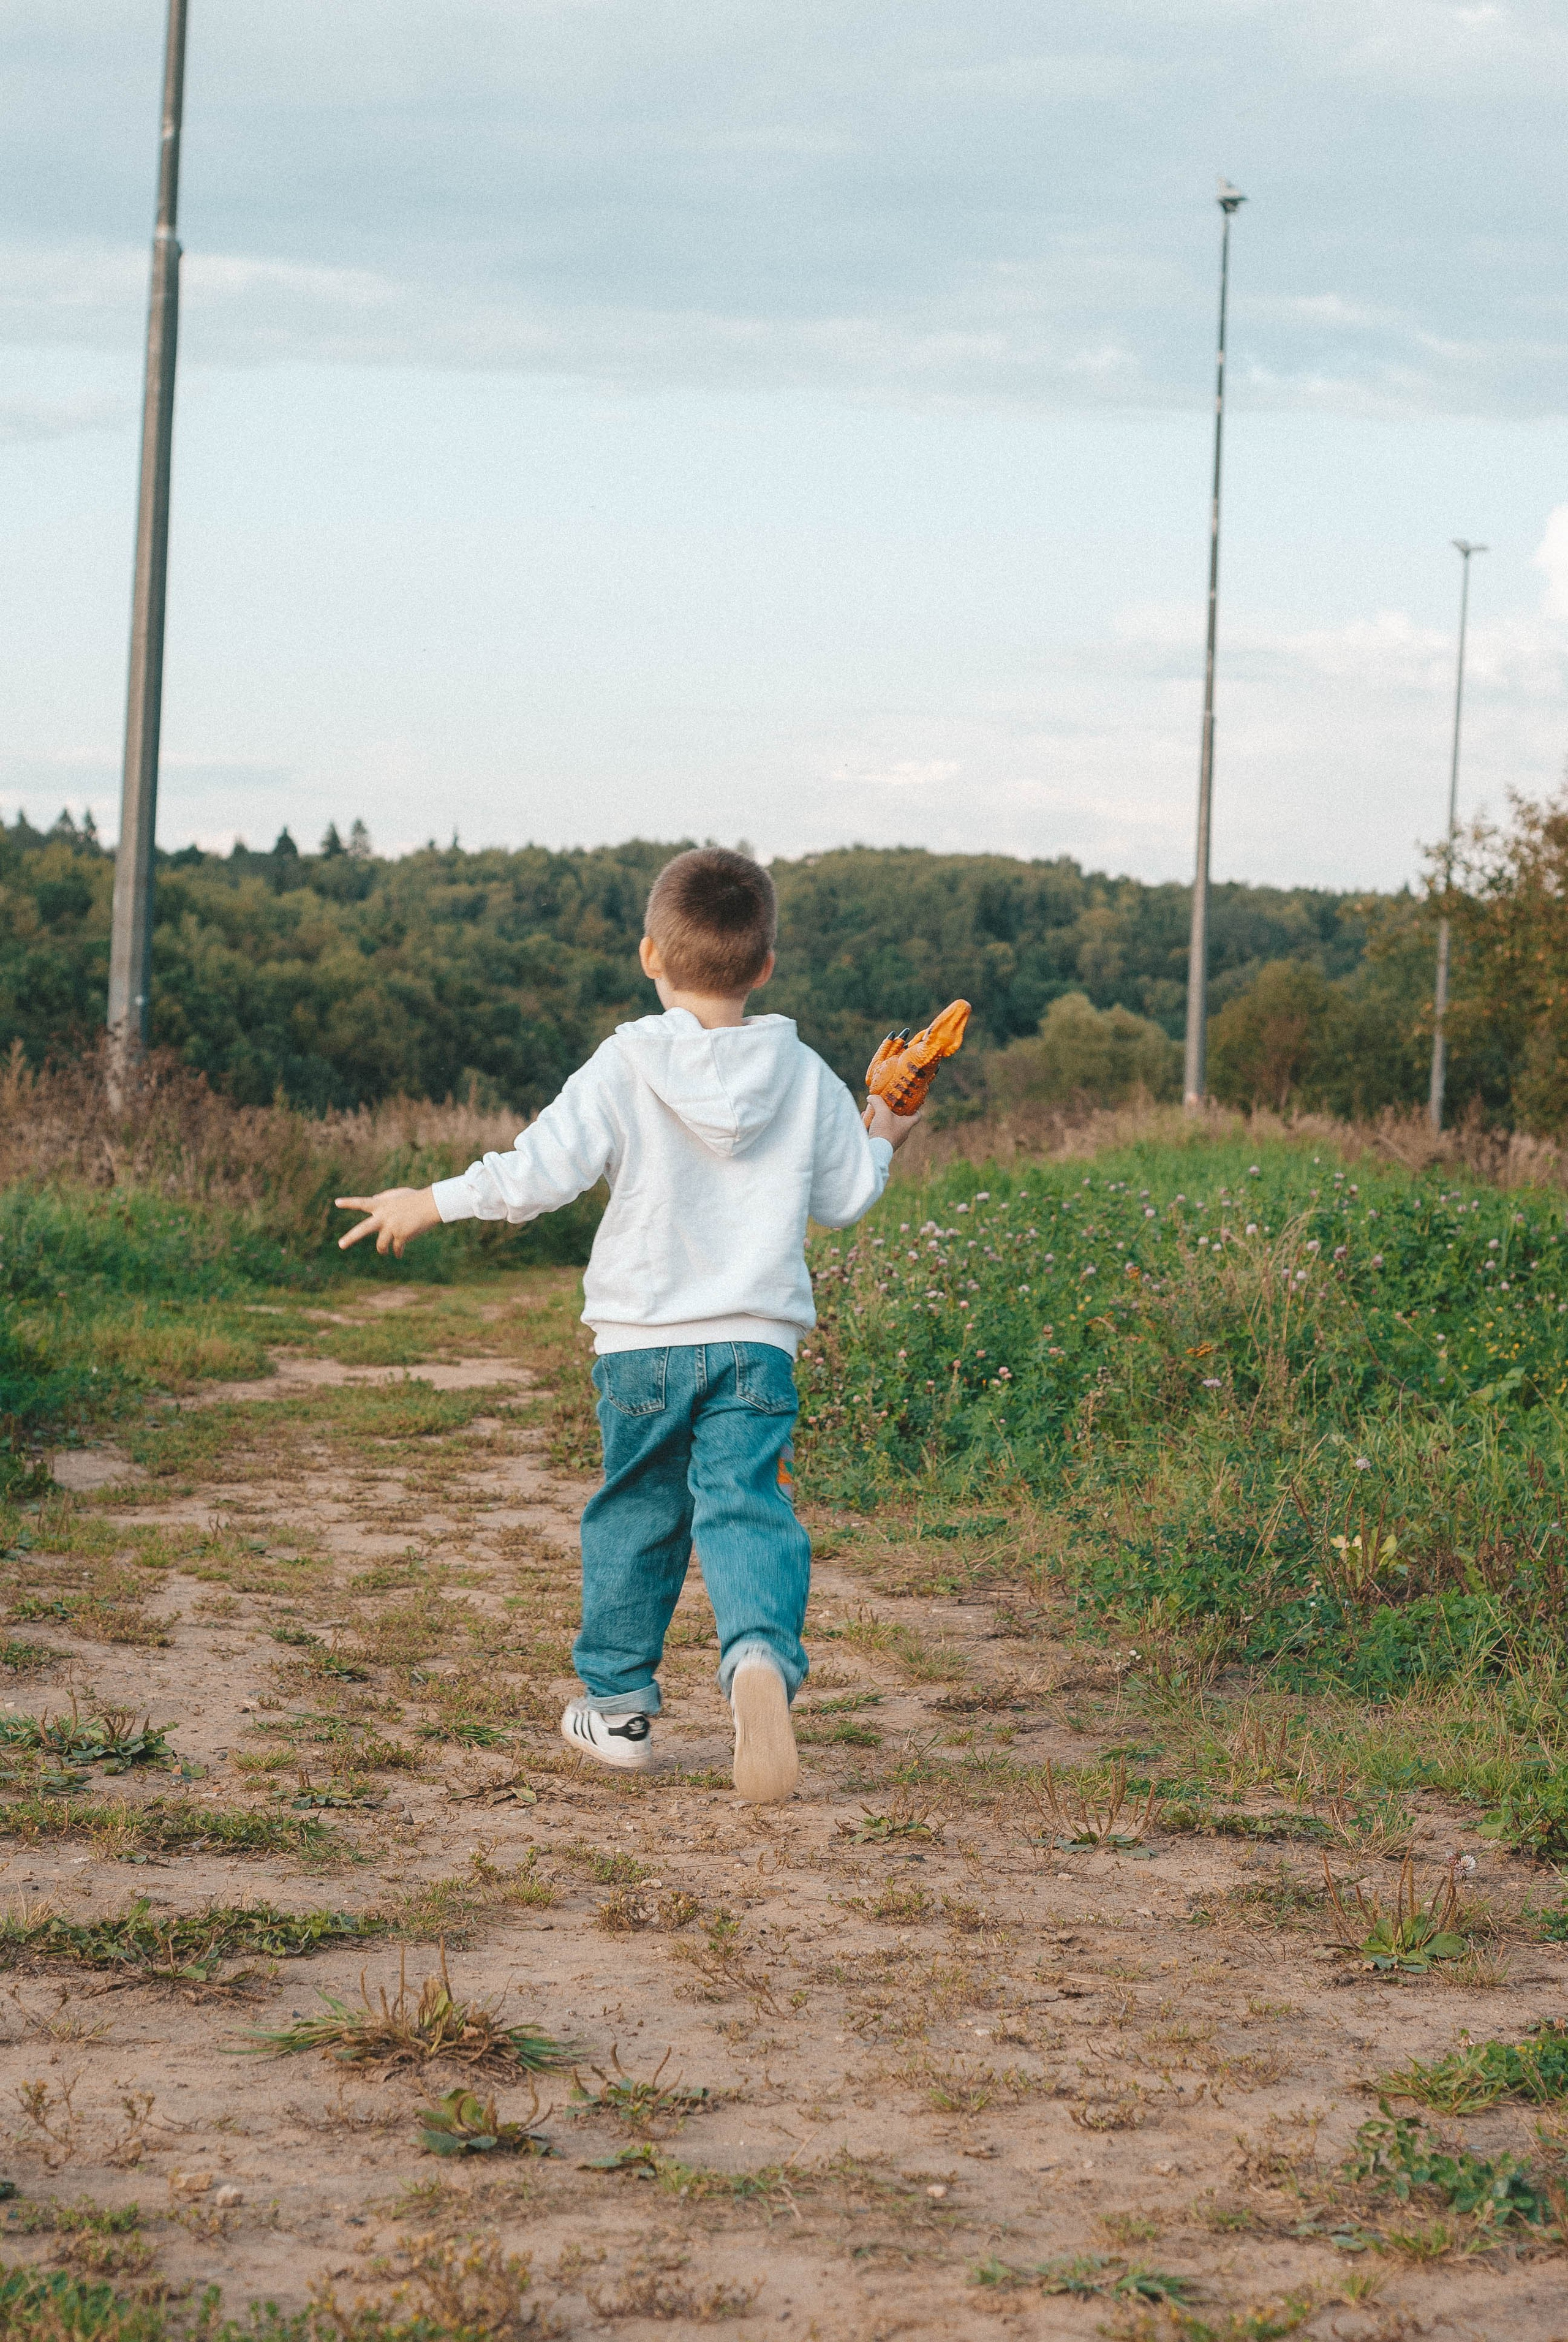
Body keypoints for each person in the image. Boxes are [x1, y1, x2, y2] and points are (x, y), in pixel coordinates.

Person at [336, 848, 919, 1802]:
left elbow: (537, 1173)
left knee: (640, 1511)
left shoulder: (624, 1064)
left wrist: (430, 1201)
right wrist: (883, 1129)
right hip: (756, 1344)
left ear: (651, 953)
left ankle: (617, 1711)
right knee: (746, 1504)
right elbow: (848, 1196)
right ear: (766, 965)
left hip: (642, 1345)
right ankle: (760, 1657)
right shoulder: (804, 1072)